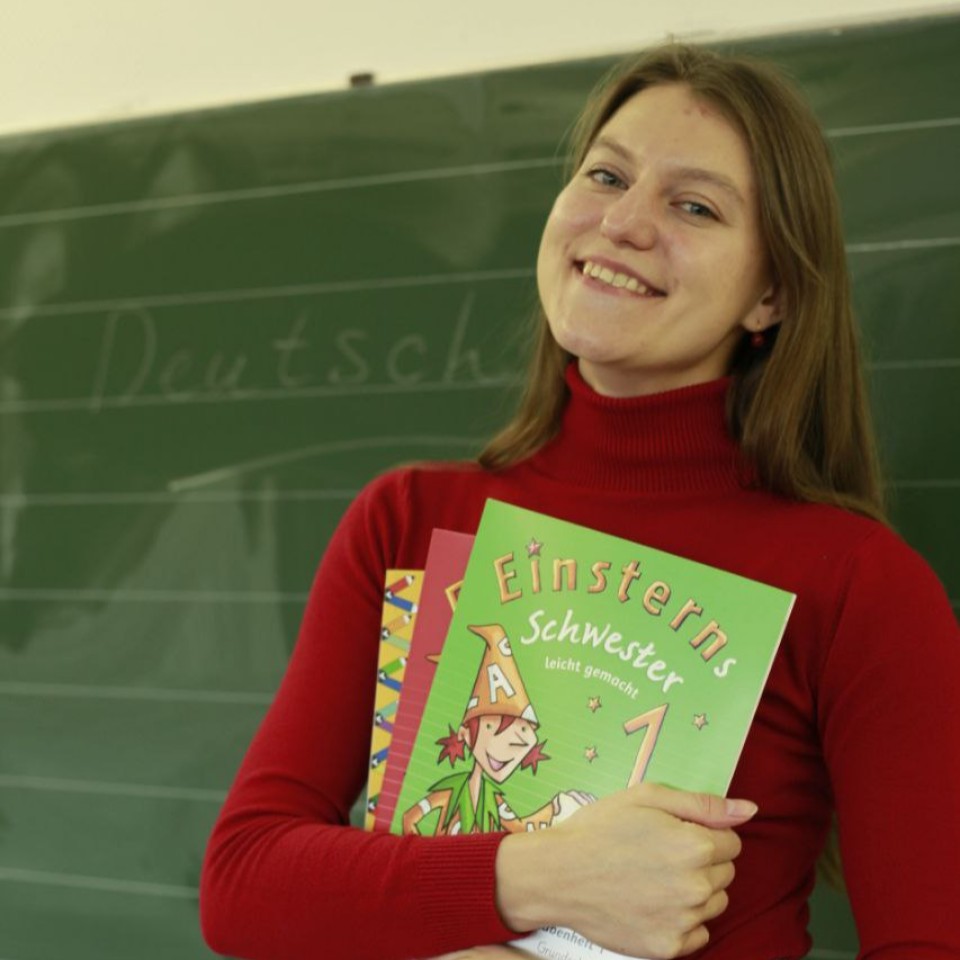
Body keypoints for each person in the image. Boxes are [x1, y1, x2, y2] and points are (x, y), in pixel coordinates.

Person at [200, 44, 960, 960]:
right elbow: (243, 885)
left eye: (695, 205)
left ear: (771, 294)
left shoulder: (857, 585)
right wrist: (544, 878)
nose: (624, 222)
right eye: (606, 176)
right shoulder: (409, 521)